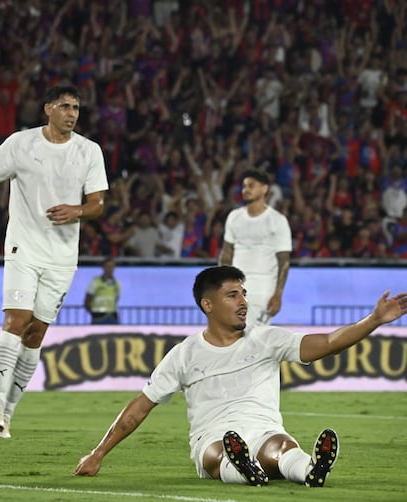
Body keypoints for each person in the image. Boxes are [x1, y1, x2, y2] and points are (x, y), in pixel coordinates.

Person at [74, 265, 407, 487]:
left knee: (279, 446)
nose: (243, 301)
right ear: (208, 304)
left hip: (263, 430)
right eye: (233, 295)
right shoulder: (185, 353)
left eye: (244, 293)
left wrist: (373, 320)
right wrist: (98, 453)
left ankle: (309, 469)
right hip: (213, 437)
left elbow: (330, 343)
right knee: (216, 453)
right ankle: (250, 469)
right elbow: (140, 407)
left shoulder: (267, 338)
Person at [0, 84, 108, 439]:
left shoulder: (89, 151)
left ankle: (7, 414)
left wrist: (78, 211)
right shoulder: (20, 143)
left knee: (36, 332)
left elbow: (98, 204)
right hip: (23, 246)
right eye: (64, 106)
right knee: (17, 319)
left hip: (62, 255)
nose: (71, 113)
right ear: (48, 109)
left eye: (75, 108)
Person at [219, 169, 291, 328]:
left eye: (251, 185)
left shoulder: (277, 220)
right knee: (234, 338)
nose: (246, 189)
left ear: (265, 189)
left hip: (263, 290)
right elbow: (226, 253)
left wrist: (278, 294)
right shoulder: (234, 217)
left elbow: (284, 261)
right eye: (244, 186)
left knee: (256, 340)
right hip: (236, 288)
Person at [84, 257, 121, 324]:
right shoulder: (95, 282)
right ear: (103, 268)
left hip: (112, 317)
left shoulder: (117, 284)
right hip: (99, 318)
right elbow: (87, 301)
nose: (110, 269)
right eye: (107, 266)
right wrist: (94, 314)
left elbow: (116, 299)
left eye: (112, 266)